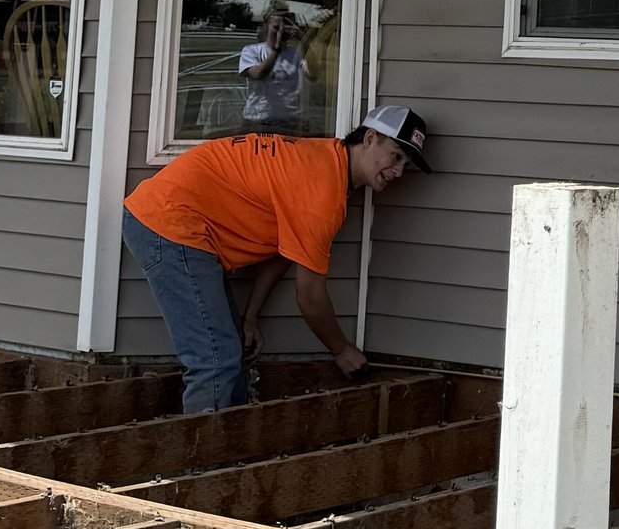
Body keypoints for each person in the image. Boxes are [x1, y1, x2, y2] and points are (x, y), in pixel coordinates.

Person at [121, 101, 430, 412]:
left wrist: (251, 315)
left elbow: (286, 247)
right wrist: (341, 350)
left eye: (406, 165)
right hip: (169, 223)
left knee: (230, 356)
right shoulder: (322, 193)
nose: (399, 171)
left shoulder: (324, 160)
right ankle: (202, 459)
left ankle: (233, 449)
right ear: (369, 138)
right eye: (396, 156)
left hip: (178, 224)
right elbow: (309, 297)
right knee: (214, 363)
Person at [237, 5, 310, 130]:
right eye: (276, 28)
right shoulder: (251, 51)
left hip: (290, 119)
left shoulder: (297, 54)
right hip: (258, 118)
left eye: (284, 28)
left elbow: (313, 73)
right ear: (266, 27)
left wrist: (304, 40)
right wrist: (277, 49)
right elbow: (258, 74)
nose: (280, 33)